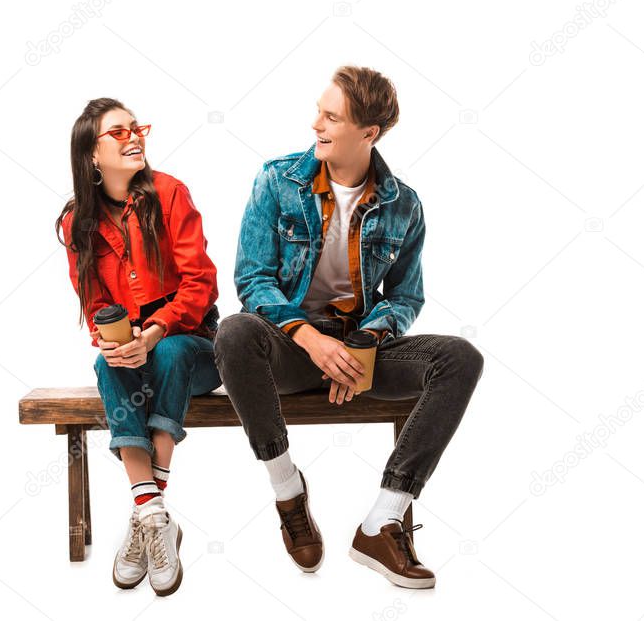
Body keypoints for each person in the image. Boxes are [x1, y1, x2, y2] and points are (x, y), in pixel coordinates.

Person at [214, 66, 485, 589]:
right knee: (234, 332)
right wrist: (312, 340)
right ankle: (288, 492)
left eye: (331, 116)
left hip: (361, 354)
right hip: (293, 350)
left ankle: (382, 521)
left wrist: (361, 344)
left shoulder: (403, 203)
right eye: (319, 110)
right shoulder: (277, 180)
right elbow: (253, 280)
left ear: (369, 133)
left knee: (460, 359)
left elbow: (406, 296)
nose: (316, 123)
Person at [56, 98, 220, 596]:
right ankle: (154, 515)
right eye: (119, 132)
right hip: (130, 349)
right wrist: (114, 345)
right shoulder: (75, 223)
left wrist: (155, 332)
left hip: (192, 343)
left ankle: (144, 509)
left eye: (136, 128)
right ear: (91, 155)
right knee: (105, 368)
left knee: (168, 354)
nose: (134, 137)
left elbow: (201, 284)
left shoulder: (169, 193)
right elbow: (96, 305)